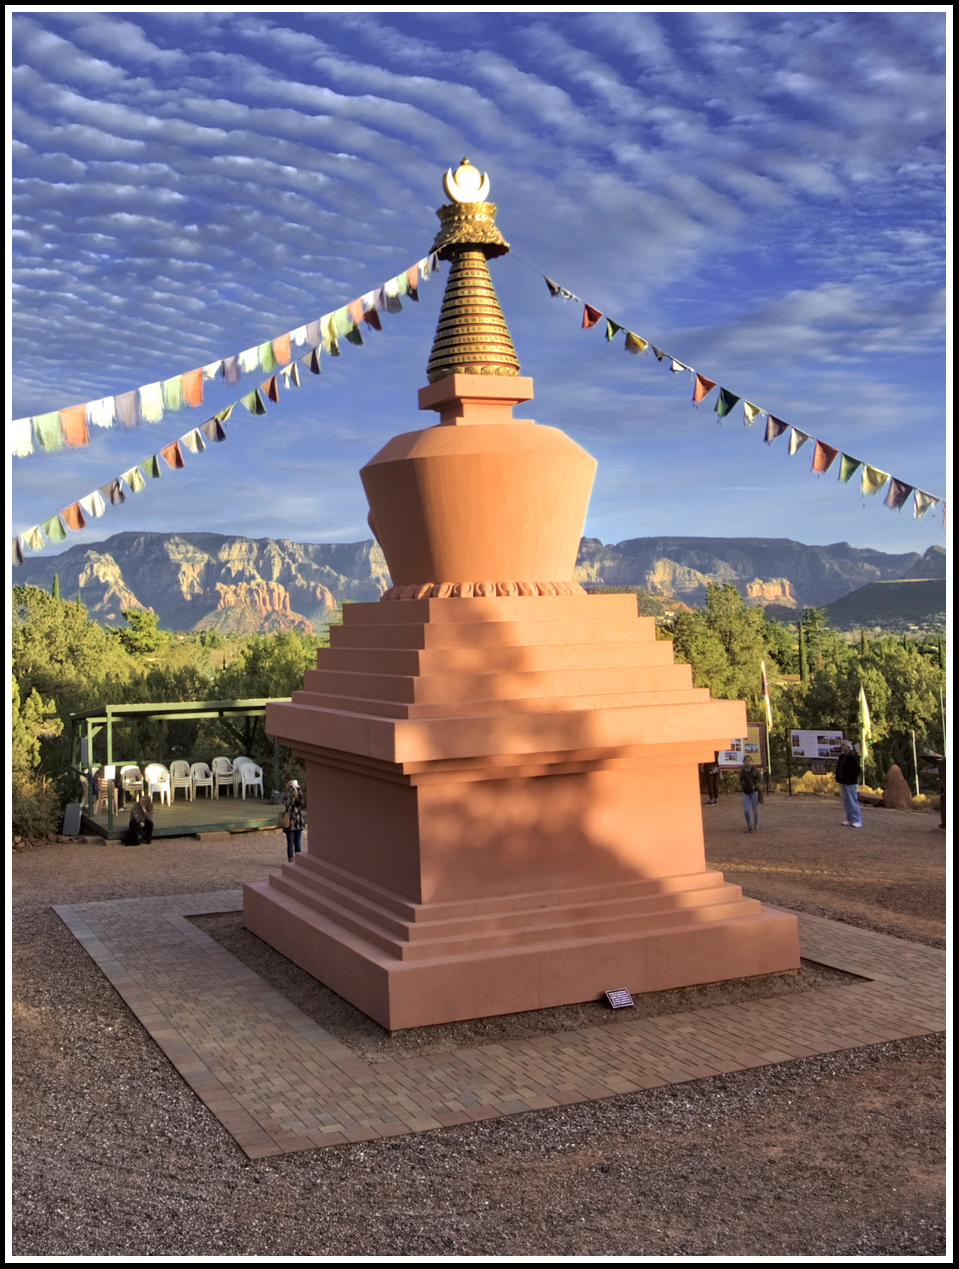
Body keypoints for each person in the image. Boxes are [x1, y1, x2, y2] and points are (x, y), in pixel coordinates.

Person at [835, 740, 862, 828]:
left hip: (850, 783)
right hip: (843, 782)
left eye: (843, 745)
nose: (842, 746)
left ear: (848, 747)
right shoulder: (842, 756)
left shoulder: (852, 757)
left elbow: (857, 770)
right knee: (846, 801)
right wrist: (838, 778)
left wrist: (849, 778)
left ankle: (857, 820)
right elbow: (839, 767)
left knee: (853, 801)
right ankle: (849, 819)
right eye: (842, 745)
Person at [282, 779, 305, 862]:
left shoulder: (298, 794)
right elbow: (288, 803)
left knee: (298, 843)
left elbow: (302, 803)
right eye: (292, 786)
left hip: (298, 822)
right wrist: (292, 793)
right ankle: (291, 861)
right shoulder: (286, 794)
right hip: (290, 822)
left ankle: (298, 861)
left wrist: (299, 791)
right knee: (290, 843)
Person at [739, 756, 760, 832]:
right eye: (746, 760)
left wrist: (756, 786)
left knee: (755, 809)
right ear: (743, 762)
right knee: (746, 809)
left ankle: (756, 825)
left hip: (754, 791)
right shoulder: (742, 771)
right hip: (745, 791)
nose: (748, 762)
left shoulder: (755, 770)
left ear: (752, 761)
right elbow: (740, 780)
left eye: (749, 760)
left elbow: (760, 779)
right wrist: (743, 786)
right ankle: (748, 825)